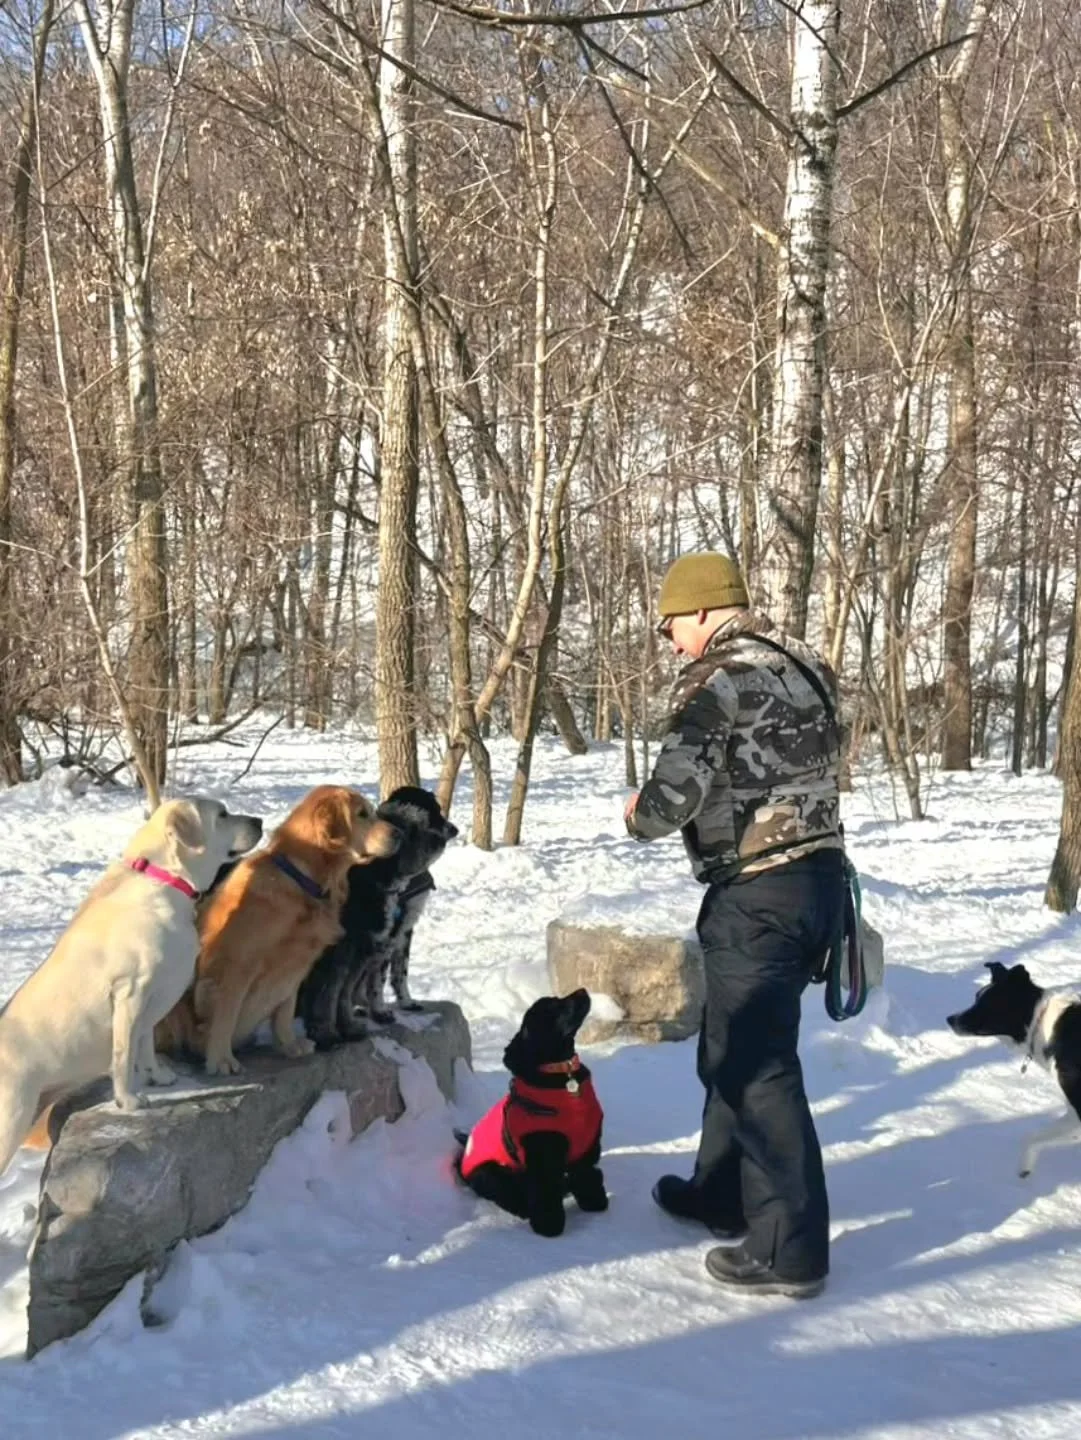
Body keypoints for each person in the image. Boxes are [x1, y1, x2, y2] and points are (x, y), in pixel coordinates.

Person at [624, 552, 844, 1298]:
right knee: (730, 1046)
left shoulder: (716, 677)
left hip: (757, 893)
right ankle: (719, 1192)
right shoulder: (806, 662)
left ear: (698, 610)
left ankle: (790, 1252)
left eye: (669, 627)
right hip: (818, 884)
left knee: (758, 1067)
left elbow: (668, 803)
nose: (671, 643)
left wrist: (638, 813)